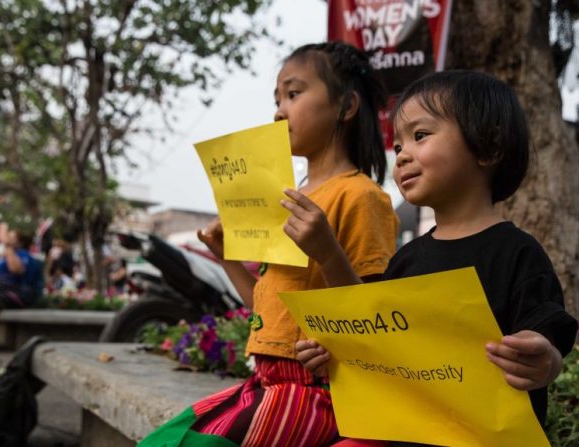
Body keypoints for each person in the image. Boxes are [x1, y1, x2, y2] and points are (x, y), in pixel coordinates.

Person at [293, 71, 578, 446]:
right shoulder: (406, 260)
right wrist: (334, 352)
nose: (403, 155)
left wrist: (543, 361)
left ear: (489, 147)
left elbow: (546, 336)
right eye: (397, 148)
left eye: (420, 135)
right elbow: (381, 348)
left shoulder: (519, 253)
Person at [138, 41, 399, 446]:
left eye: (294, 94)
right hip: (265, 383)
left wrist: (328, 253)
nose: (279, 111)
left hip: (316, 391)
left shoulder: (361, 197)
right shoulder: (289, 198)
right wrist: (226, 261)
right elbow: (266, 308)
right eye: (277, 98)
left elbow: (374, 318)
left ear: (346, 107)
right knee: (165, 440)